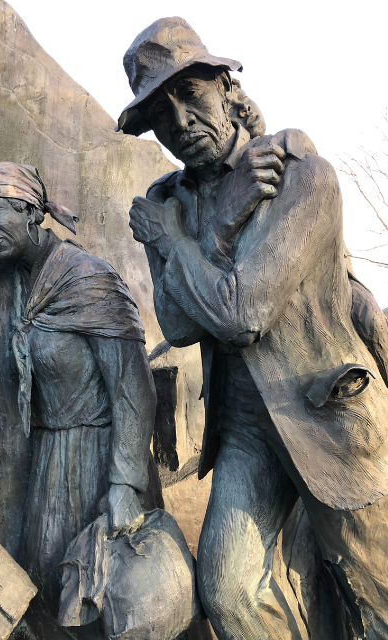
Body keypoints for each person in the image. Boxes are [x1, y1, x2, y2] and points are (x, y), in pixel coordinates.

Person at [120, 16, 388, 639]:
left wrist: (176, 243)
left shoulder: (304, 178)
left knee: (377, 598)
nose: (181, 123)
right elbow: (182, 325)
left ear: (228, 91)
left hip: (326, 414)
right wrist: (208, 230)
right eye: (160, 112)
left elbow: (243, 315)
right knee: (230, 590)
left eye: (191, 96)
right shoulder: (174, 205)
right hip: (243, 431)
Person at [0, 162, 157, 618]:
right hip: (52, 459)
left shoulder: (88, 278)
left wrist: (125, 483)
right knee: (51, 586)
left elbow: (135, 387)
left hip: (101, 459)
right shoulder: (23, 284)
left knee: (104, 597)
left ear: (31, 211)